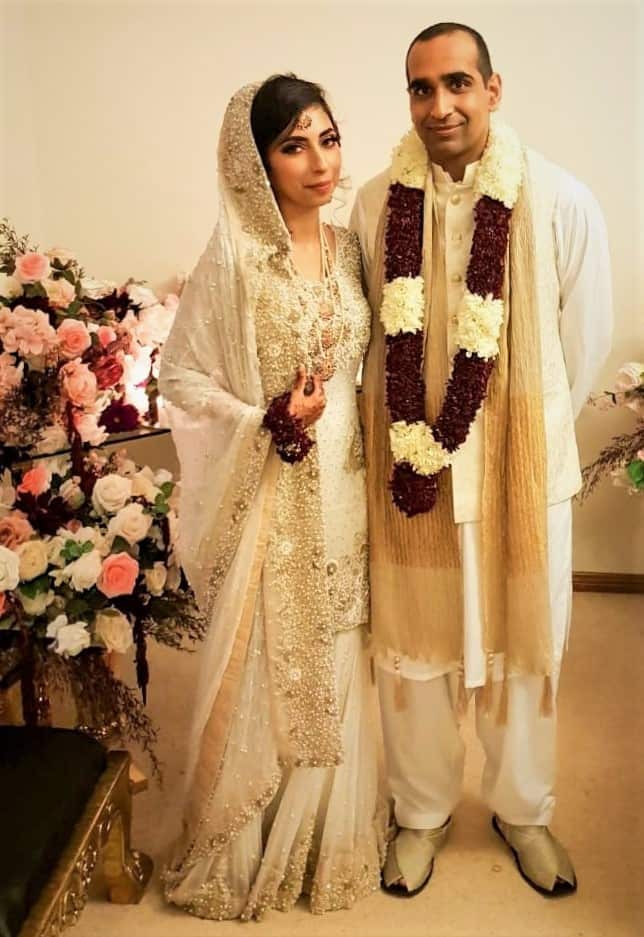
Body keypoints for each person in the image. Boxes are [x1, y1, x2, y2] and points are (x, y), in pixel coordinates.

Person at [350, 22, 612, 898]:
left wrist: (519, 446)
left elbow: (585, 340)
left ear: (493, 89)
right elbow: (366, 339)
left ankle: (523, 808)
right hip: (411, 480)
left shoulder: (559, 199)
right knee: (415, 654)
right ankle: (419, 812)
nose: (440, 105)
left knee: (523, 651)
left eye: (457, 84)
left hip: (519, 481)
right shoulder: (374, 204)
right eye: (421, 89)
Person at [158, 75, 384, 920]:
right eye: (293, 145)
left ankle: (330, 833)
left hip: (347, 488)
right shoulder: (237, 258)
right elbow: (178, 373)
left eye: (327, 137)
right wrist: (263, 418)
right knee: (267, 659)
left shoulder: (350, 243)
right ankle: (250, 841)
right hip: (275, 488)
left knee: (340, 645)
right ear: (256, 162)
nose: (319, 160)